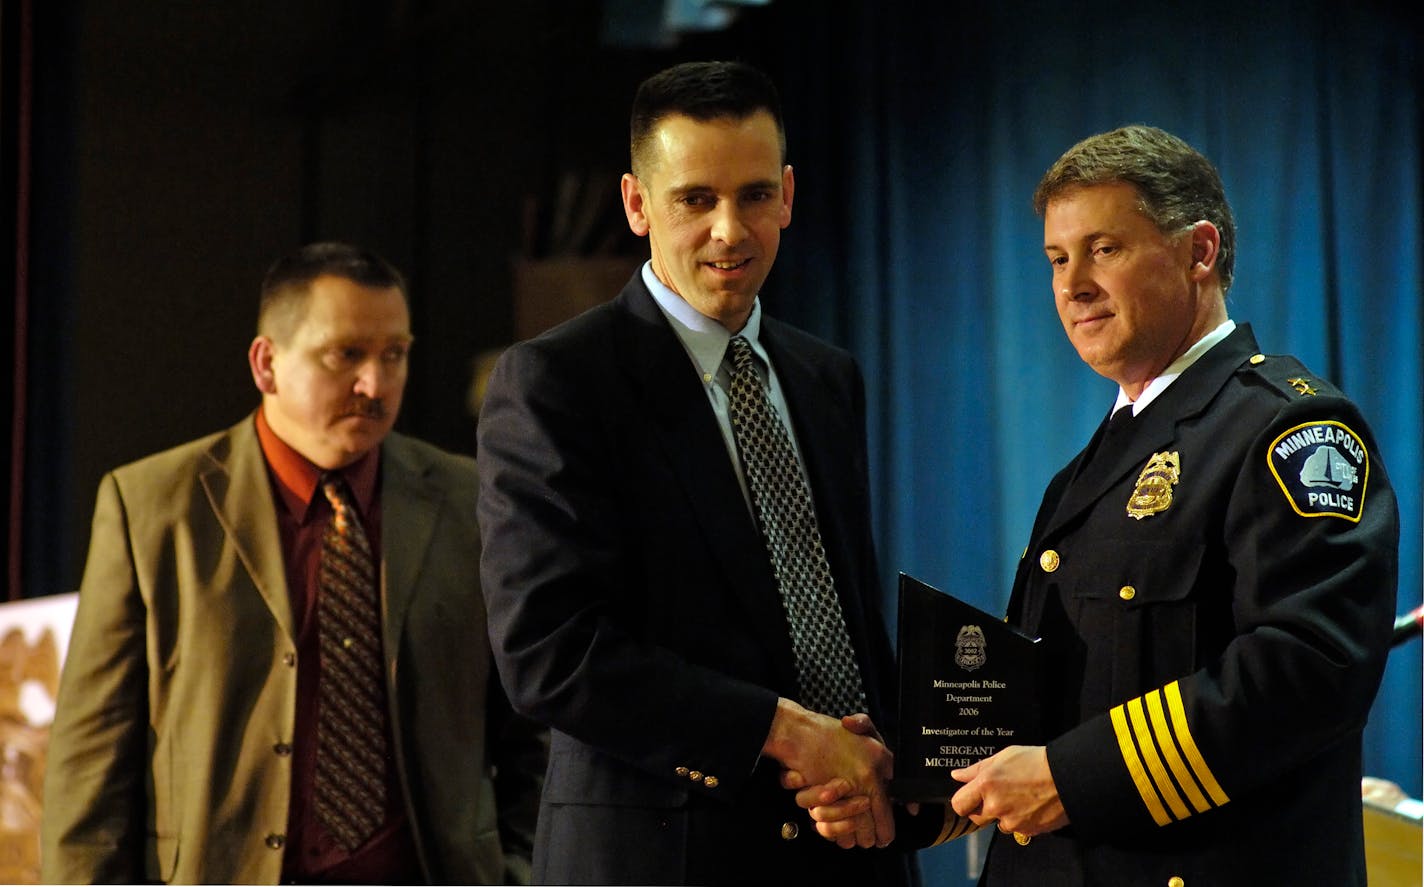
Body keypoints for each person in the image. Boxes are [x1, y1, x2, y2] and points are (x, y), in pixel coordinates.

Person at [814, 124, 1400, 884]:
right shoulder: (1089, 468)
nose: (1072, 284)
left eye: (1104, 249)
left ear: (1199, 251)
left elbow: (1308, 671)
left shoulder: (1289, 429)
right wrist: (925, 783)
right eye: (1058, 258)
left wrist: (1067, 778)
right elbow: (1049, 702)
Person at [475, 60, 936, 885]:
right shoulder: (558, 381)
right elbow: (550, 651)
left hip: (850, 852)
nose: (730, 229)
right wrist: (788, 731)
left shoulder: (827, 376)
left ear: (788, 195)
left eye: (755, 195)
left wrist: (909, 773)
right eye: (696, 199)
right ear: (636, 203)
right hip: (664, 859)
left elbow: (844, 615)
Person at [41, 242, 546, 885]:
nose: (374, 384)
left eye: (394, 355)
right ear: (266, 363)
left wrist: (522, 869)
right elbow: (91, 764)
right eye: (346, 355)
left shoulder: (469, 502)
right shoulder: (152, 508)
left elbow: (531, 729)